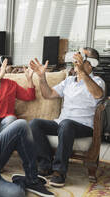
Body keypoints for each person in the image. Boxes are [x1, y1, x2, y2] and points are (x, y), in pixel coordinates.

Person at [29, 47, 105, 187]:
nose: (76, 60)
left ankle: (59, 171)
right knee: (34, 124)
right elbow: (48, 94)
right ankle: (45, 165)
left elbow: (98, 95)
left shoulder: (98, 81)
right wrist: (42, 78)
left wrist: (82, 72)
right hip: (63, 124)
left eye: (82, 58)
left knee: (67, 124)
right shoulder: (69, 81)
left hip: (84, 126)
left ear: (91, 63)